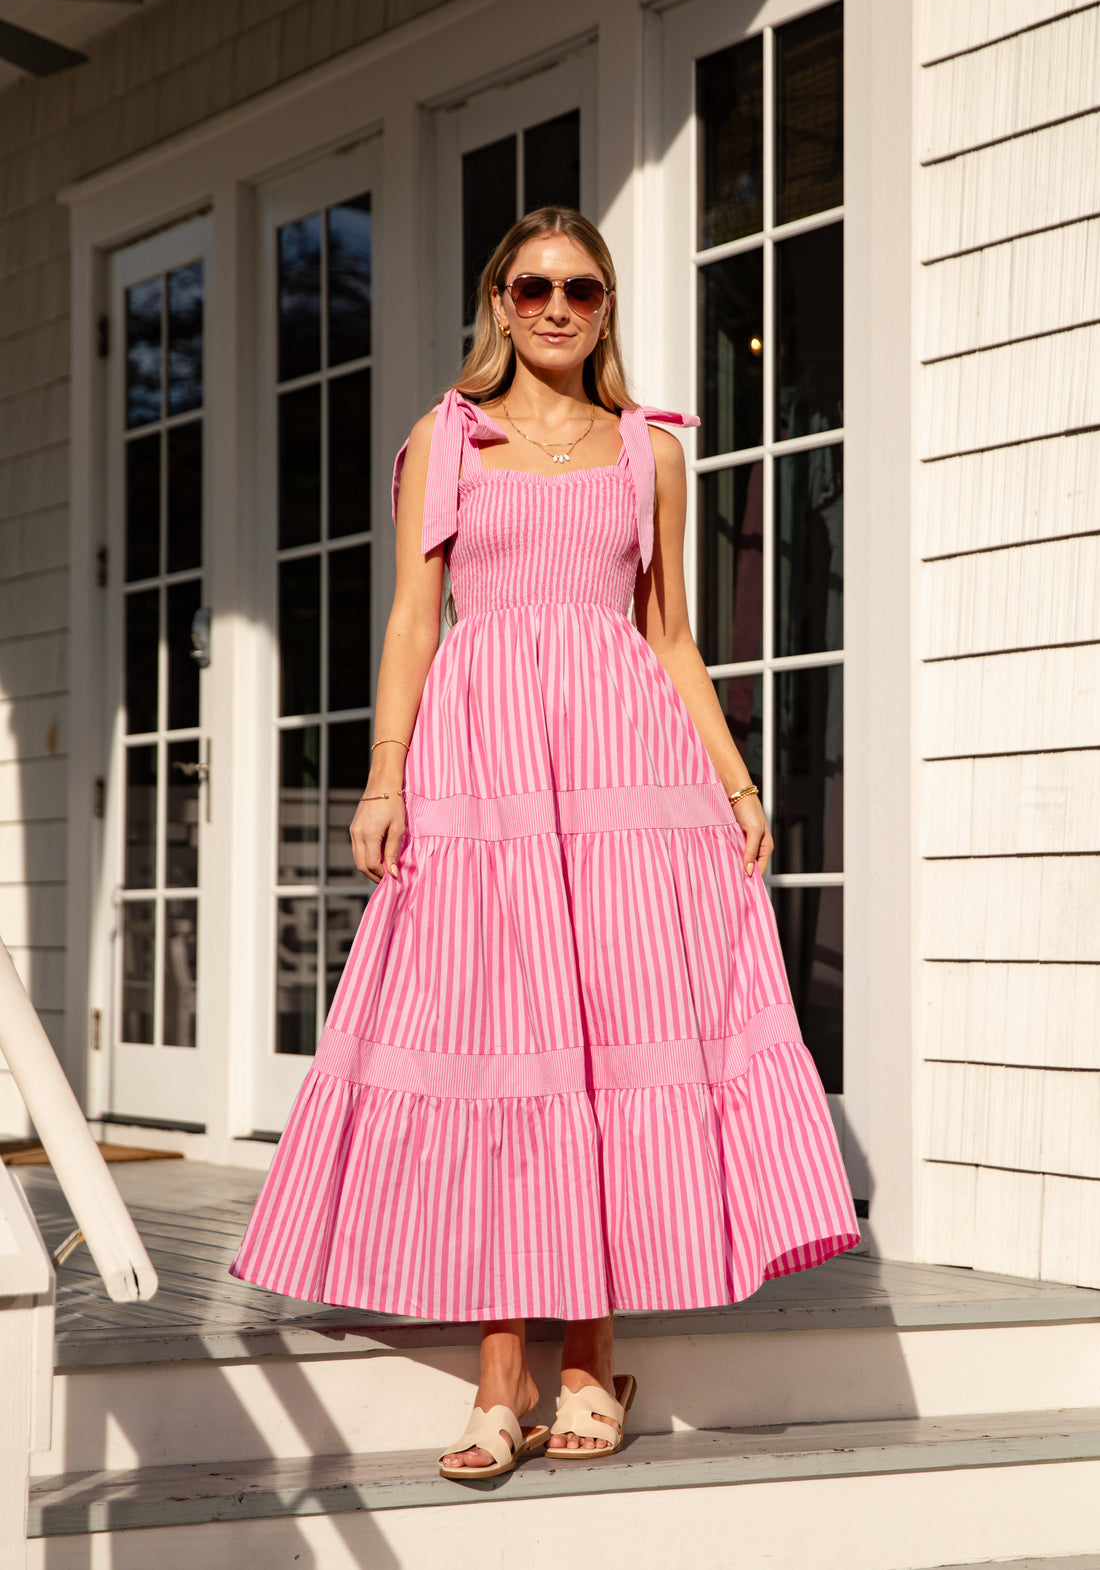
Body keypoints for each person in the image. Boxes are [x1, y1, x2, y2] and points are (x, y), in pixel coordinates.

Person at [230, 204, 860, 1481]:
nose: (556, 307)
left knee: (609, 1043)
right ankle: (498, 1373)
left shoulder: (649, 451)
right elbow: (413, 622)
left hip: (625, 774)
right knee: (500, 1044)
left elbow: (668, 635)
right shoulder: (444, 439)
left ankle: (587, 1365)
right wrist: (383, 777)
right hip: (485, 774)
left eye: (580, 288)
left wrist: (735, 783)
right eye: (532, 288)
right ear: (498, 301)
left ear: (606, 304)